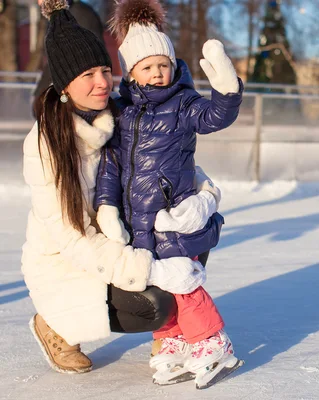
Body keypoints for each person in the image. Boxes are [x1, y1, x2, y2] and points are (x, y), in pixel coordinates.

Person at [22, 0, 211, 375]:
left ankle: (168, 337)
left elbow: (167, 160)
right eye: (87, 74)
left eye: (105, 70)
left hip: (120, 239)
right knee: (155, 304)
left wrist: (205, 197)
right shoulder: (47, 144)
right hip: (71, 262)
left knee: (192, 235)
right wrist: (148, 270)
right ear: (63, 84)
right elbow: (73, 239)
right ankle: (55, 324)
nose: (102, 82)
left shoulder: (117, 115)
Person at [94, 0, 244, 388]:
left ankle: (211, 342)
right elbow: (111, 166)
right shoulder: (121, 111)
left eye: (164, 64)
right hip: (135, 220)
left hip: (171, 216)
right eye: (148, 67)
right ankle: (172, 341)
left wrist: (226, 88)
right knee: (156, 283)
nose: (158, 73)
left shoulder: (183, 103)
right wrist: (106, 206)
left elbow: (215, 118)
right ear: (132, 72)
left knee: (182, 279)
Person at [32, 0, 105, 106]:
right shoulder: (58, 20)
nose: (39, 3)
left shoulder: (80, 14)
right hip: (67, 94)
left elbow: (96, 58)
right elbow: (55, 61)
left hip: (83, 96)